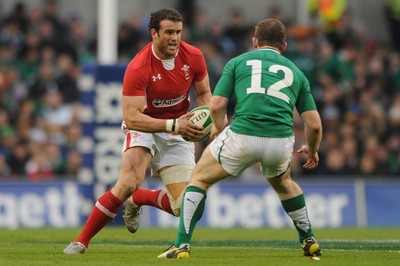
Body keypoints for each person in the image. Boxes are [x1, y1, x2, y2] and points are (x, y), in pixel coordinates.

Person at [158, 18, 323, 259]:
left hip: (244, 133)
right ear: (284, 46)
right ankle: (308, 238)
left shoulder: (238, 62)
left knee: (199, 179)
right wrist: (313, 149)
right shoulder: (297, 73)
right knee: (284, 184)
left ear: (255, 42)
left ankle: (181, 244)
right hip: (280, 140)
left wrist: (218, 127)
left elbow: (216, 105)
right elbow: (315, 124)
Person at [63, 8, 212, 254]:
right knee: (127, 182)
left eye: (178, 32)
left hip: (179, 131)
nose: (175, 38)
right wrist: (173, 125)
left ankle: (140, 198)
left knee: (186, 206)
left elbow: (204, 94)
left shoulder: (194, 56)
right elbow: (131, 117)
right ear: (153, 33)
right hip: (147, 126)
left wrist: (205, 119)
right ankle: (81, 241)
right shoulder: (139, 66)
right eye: (168, 32)